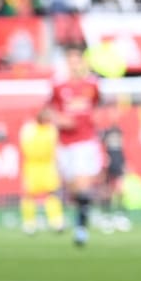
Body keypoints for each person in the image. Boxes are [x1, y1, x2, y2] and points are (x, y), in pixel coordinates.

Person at [45, 43, 103, 247]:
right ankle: (81, 216)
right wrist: (58, 119)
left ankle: (81, 229)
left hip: (85, 143)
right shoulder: (58, 87)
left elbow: (98, 108)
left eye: (77, 61)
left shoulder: (92, 86)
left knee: (82, 187)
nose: (74, 65)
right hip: (65, 145)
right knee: (73, 190)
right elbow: (45, 111)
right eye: (70, 61)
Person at [18, 107, 65, 234]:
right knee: (29, 194)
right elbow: (25, 146)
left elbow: (56, 147)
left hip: (48, 165)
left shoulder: (51, 129)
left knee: (52, 193)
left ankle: (56, 221)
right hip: (32, 165)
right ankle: (29, 223)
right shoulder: (29, 129)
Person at [97, 104, 132, 233]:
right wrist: (102, 160)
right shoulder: (104, 132)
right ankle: (106, 217)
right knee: (107, 191)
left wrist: (126, 162)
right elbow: (99, 147)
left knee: (120, 190)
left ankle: (121, 216)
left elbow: (124, 149)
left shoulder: (120, 131)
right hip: (107, 164)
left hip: (118, 163)